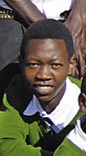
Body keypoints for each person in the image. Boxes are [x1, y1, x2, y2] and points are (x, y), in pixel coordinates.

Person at [0, 20, 81, 153]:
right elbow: (5, 147)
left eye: (55, 65)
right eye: (34, 64)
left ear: (70, 65)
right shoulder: (17, 92)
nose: (43, 75)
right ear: (21, 62)